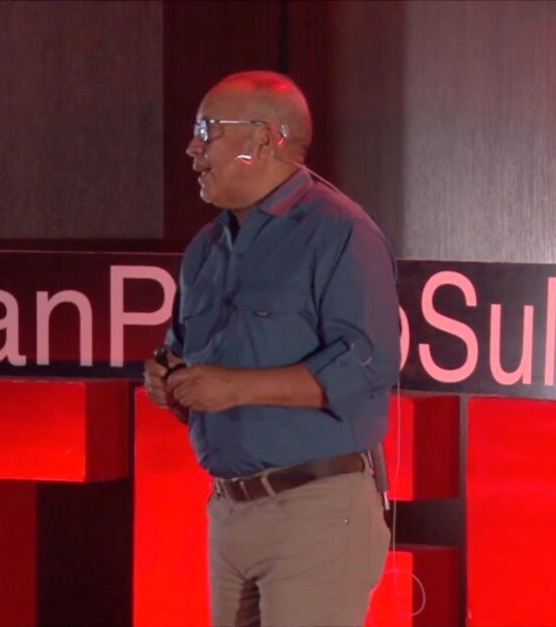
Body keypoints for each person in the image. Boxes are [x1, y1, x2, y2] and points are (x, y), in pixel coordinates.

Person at [143, 70, 399, 627]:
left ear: (262, 139)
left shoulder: (339, 231)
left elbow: (366, 367)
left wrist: (233, 388)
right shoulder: (205, 248)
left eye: (207, 131)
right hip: (229, 512)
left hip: (315, 511)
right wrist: (171, 382)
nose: (191, 149)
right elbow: (194, 365)